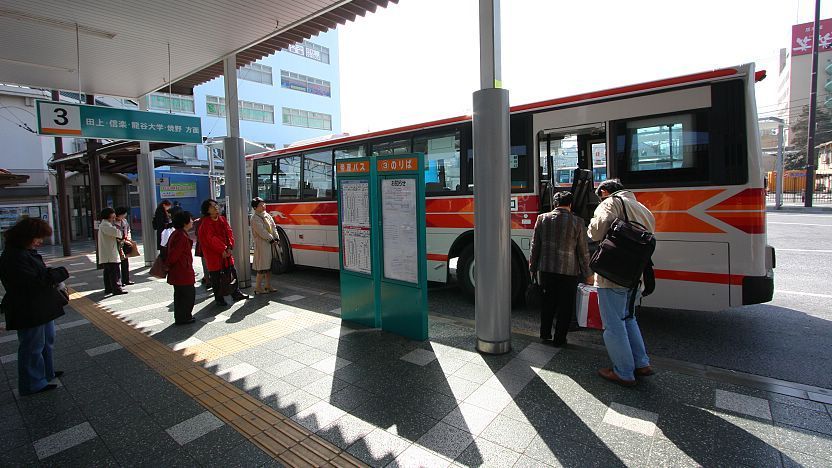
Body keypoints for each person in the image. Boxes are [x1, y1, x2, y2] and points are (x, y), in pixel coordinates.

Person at [588, 179, 656, 386]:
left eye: (601, 196)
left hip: (613, 272)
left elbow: (597, 232)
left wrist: (591, 225)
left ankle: (624, 371)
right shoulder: (643, 208)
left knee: (613, 323)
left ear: (606, 191)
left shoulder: (611, 203)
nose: (601, 199)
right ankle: (642, 363)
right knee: (628, 317)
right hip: (635, 273)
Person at [0, 218, 68, 395]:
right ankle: (32, 383)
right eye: (38, 237)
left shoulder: (24, 252)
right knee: (32, 346)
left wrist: (53, 274)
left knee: (46, 340)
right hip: (28, 307)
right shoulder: (14, 256)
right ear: (27, 236)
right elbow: (32, 282)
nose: (40, 241)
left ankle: (46, 372)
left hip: (40, 305)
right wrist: (59, 274)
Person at [529, 191, 593, 347]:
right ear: (570, 204)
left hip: (547, 269)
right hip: (569, 271)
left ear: (555, 203)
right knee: (565, 306)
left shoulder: (542, 219)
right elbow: (583, 252)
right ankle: (559, 338)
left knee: (548, 302)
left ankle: (545, 334)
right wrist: (588, 274)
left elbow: (535, 245)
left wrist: (533, 266)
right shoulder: (578, 222)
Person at [197, 199, 249, 306]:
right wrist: (223, 249)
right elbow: (211, 239)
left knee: (232, 272)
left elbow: (229, 232)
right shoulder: (205, 223)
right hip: (214, 255)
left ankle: (236, 292)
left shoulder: (222, 219)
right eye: (212, 206)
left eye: (216, 205)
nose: (216, 207)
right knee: (216, 277)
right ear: (207, 210)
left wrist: (229, 246)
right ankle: (219, 298)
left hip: (226, 253)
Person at [166, 211, 196, 325]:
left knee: (180, 295)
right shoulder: (181, 236)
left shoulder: (177, 233)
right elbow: (174, 256)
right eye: (190, 219)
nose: (192, 221)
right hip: (182, 271)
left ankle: (181, 317)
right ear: (185, 222)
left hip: (179, 271)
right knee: (187, 295)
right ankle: (184, 317)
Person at [249, 197, 278, 294]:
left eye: (263, 204)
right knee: (262, 267)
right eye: (260, 205)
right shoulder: (254, 218)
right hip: (262, 245)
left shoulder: (267, 215)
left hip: (270, 243)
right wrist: (271, 239)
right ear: (255, 208)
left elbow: (273, 226)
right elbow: (261, 231)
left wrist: (276, 237)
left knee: (269, 267)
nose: (263, 206)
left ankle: (268, 285)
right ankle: (257, 287)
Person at [98, 208, 127, 296]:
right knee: (114, 271)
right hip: (109, 253)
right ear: (109, 215)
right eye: (113, 214)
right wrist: (119, 228)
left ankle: (109, 288)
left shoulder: (105, 224)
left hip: (108, 253)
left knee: (108, 272)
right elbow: (117, 233)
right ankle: (117, 289)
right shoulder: (106, 225)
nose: (114, 215)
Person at [113, 206, 135, 286]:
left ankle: (126, 279)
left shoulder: (124, 221)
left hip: (125, 243)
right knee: (118, 262)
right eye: (123, 214)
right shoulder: (112, 222)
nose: (124, 216)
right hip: (116, 243)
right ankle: (119, 281)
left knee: (125, 262)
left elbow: (128, 229)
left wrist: (128, 238)